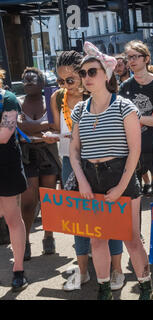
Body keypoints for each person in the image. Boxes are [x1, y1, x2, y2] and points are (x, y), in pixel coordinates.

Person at [69, 41, 152, 300]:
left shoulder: (124, 107)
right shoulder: (80, 110)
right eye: (82, 73)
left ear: (106, 74)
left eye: (92, 72)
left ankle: (145, 289)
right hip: (90, 179)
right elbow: (74, 150)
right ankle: (104, 289)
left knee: (132, 239)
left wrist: (121, 186)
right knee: (97, 241)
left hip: (121, 177)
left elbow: (134, 151)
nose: (86, 77)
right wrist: (82, 181)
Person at [43, 51, 125, 292]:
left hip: (102, 163)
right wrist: (55, 137)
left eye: (70, 79)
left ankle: (116, 269)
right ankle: (83, 271)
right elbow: (60, 130)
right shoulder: (58, 98)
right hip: (70, 161)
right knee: (78, 219)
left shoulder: (100, 97)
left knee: (110, 217)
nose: (65, 85)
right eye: (60, 80)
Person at [17, 67, 61, 260]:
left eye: (32, 80)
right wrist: (44, 128)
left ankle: (48, 237)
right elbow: (20, 126)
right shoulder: (18, 103)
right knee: (27, 202)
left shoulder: (50, 101)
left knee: (48, 199)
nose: (28, 83)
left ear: (42, 84)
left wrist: (31, 133)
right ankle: (24, 241)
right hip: (27, 157)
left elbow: (56, 126)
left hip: (49, 155)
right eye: (25, 80)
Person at [119, 40, 153, 197]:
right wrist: (148, 118)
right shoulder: (125, 87)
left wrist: (135, 118)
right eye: (129, 58)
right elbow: (120, 119)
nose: (131, 61)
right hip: (132, 148)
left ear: (146, 59)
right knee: (130, 194)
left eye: (135, 57)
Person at [0, 68, 28, 291]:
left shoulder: (7, 99)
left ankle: (18, 270)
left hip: (6, 167)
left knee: (12, 218)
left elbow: (4, 135)